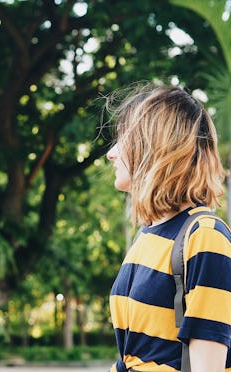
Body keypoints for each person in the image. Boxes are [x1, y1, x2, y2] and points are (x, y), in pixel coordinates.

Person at [105, 84, 231, 371]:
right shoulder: (147, 235)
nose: (111, 153)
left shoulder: (205, 236)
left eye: (123, 139)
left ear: (153, 145)